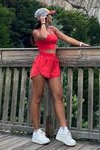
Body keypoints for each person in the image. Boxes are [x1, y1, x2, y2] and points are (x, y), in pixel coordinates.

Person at [30, 7, 90, 146]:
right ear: (43, 17)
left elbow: (66, 38)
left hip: (53, 63)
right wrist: (43, 22)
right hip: (41, 63)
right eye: (49, 15)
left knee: (58, 95)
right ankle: (37, 132)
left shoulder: (54, 29)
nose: (52, 17)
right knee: (37, 98)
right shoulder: (36, 32)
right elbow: (44, 37)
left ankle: (63, 131)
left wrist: (81, 44)